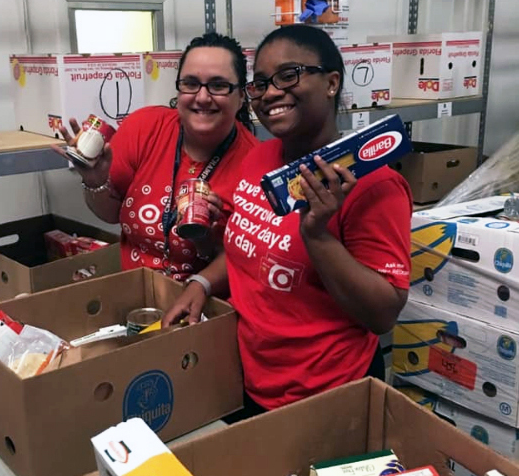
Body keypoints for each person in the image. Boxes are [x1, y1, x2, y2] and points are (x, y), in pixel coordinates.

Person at [162, 25, 412, 419]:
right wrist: (202, 281)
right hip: (248, 377)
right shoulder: (260, 159)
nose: (271, 93)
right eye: (260, 83)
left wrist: (317, 235)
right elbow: (252, 246)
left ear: (331, 83)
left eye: (288, 75)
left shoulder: (373, 185)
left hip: (325, 395)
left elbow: (383, 314)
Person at [53, 33, 258, 281]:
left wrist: (205, 239)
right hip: (137, 296)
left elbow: (247, 266)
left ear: (242, 96)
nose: (202, 97)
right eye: (191, 83)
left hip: (207, 306)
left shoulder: (255, 164)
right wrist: (95, 181)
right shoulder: (145, 127)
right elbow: (110, 215)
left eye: (218, 85)